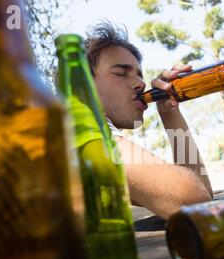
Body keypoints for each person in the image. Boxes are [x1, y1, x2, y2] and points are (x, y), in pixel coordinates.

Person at [84, 21, 213, 219]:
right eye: (120, 73)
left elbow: (202, 197)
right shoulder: (79, 134)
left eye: (139, 75)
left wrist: (169, 112)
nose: (141, 83)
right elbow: (195, 203)